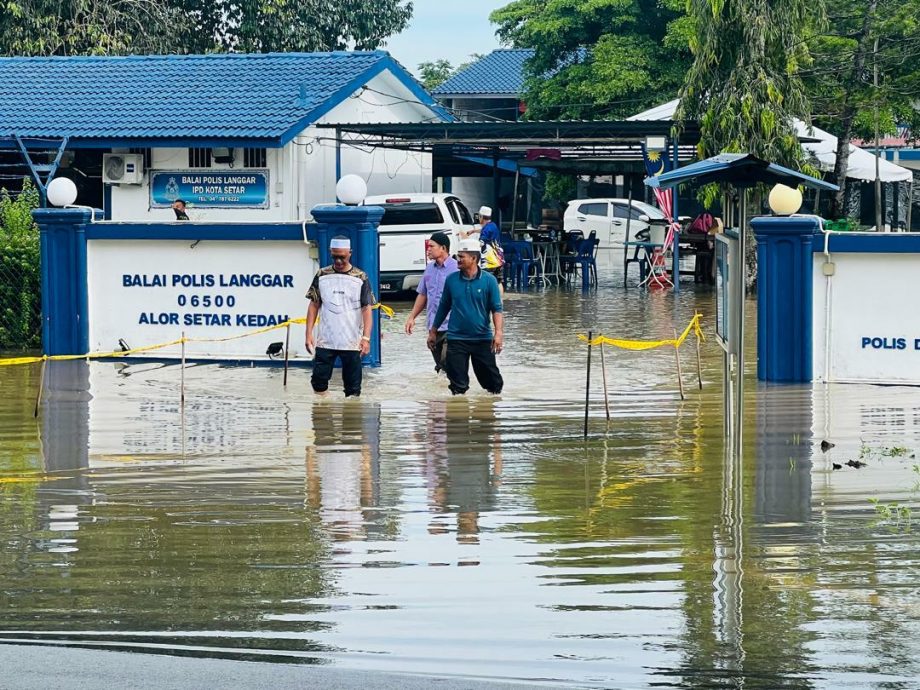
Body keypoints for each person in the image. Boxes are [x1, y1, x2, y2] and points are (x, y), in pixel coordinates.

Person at [428, 238, 504, 395]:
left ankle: (489, 414)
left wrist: (498, 333)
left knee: (493, 385)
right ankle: (458, 417)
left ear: (474, 258)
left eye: (462, 257)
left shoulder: (489, 281)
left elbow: (496, 309)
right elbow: (443, 307)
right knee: (458, 386)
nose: (458, 260)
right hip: (456, 340)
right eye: (458, 256)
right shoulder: (451, 280)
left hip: (482, 339)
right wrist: (433, 331)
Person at [305, 236, 375, 397]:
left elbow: (366, 309)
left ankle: (350, 419)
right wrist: (308, 333)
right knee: (318, 381)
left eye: (342, 257)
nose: (338, 261)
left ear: (350, 253)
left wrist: (366, 338)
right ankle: (324, 413)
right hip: (326, 339)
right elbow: (314, 304)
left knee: (353, 388)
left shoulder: (360, 277)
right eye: (334, 256)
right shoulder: (322, 274)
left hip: (351, 340)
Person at [405, 231, 458, 373]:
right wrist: (412, 317)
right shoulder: (429, 269)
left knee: (448, 361)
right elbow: (423, 295)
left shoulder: (457, 269)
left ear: (443, 248)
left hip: (453, 326)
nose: (428, 249)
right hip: (433, 327)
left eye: (431, 246)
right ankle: (443, 393)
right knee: (441, 368)